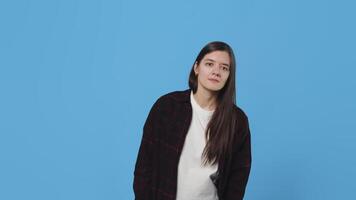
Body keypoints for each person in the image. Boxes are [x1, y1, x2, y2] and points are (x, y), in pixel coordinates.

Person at [133, 41, 252, 200]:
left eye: (224, 68)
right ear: (196, 68)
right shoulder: (167, 107)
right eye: (209, 64)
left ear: (229, 76)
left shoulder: (237, 121)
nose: (216, 71)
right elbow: (144, 166)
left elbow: (238, 179)